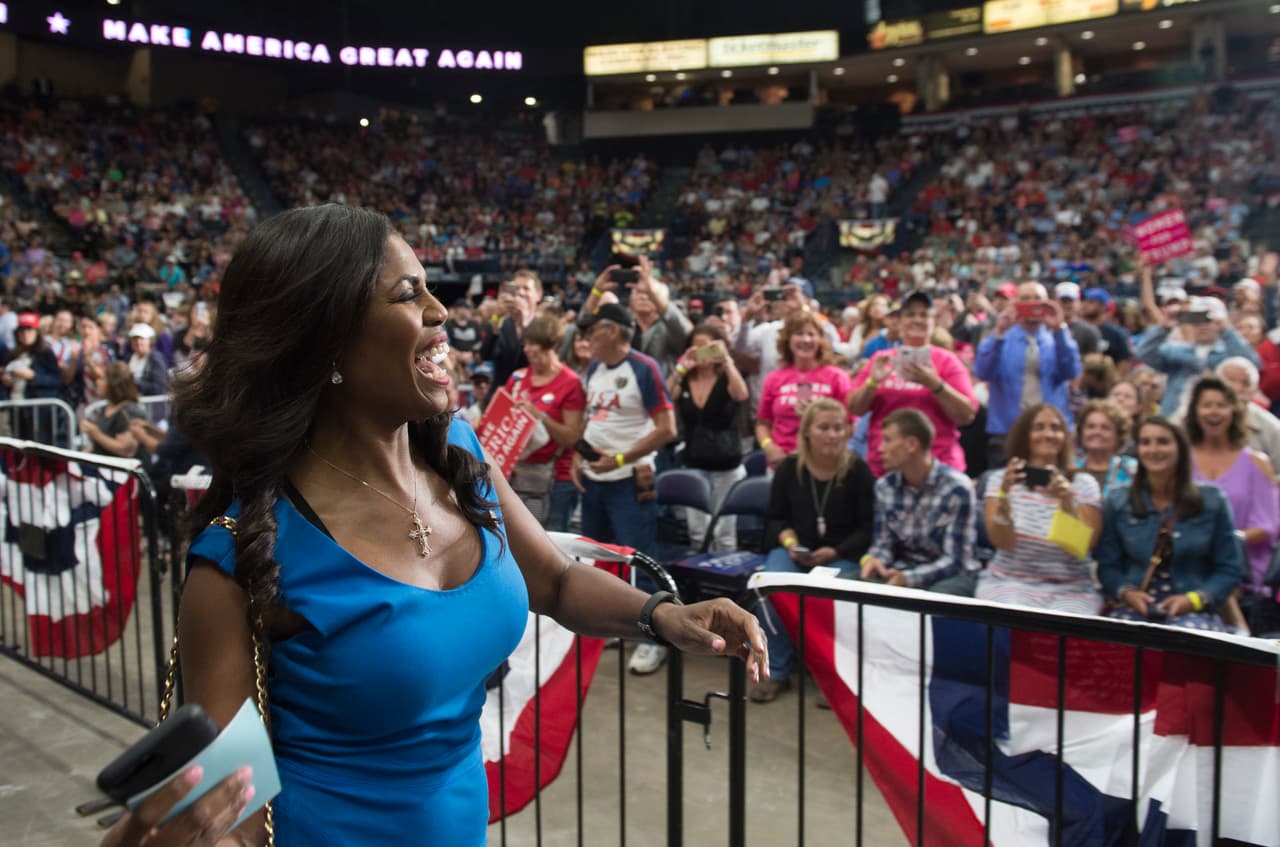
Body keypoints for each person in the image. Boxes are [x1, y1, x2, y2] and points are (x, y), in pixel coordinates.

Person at [163, 205, 765, 847]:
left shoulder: (458, 451)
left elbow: (556, 582)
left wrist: (665, 616)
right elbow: (228, 816)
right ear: (325, 341)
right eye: (406, 294)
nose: (441, 311)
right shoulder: (239, 558)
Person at [571, 302, 679, 675]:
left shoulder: (643, 368)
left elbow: (667, 429)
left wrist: (620, 459)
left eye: (593, 329)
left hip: (629, 480)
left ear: (614, 331)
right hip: (595, 479)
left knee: (642, 559)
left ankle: (658, 638)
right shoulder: (595, 369)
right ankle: (616, 624)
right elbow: (592, 420)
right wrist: (577, 459)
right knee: (600, 561)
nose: (585, 337)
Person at [752, 399, 875, 703]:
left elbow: (868, 529)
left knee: (835, 602)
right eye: (824, 427)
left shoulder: (858, 470)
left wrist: (834, 551)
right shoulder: (790, 468)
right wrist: (791, 542)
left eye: (838, 427)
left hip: (842, 554)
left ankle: (832, 676)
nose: (832, 434)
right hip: (796, 551)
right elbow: (775, 518)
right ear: (807, 432)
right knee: (770, 590)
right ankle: (776, 671)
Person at [1097, 418, 1243, 631]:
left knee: (1184, 643)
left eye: (1163, 441)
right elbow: (1107, 566)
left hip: (1194, 608)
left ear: (1180, 448)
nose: (1154, 449)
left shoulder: (1213, 501)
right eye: (1146, 442)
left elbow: (1229, 570)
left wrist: (1193, 600)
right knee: (1120, 646)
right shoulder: (1118, 501)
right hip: (1135, 607)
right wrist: (1127, 593)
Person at [978, 404, 1103, 614]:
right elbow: (1002, 542)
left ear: (1065, 436)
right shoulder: (1001, 480)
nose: (1048, 434)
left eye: (1055, 428)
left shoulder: (1083, 483)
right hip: (1009, 581)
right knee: (1010, 618)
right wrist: (1004, 496)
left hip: (1070, 587)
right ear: (1025, 435)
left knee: (1064, 629)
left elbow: (1082, 547)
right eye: (1039, 427)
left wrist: (1066, 502)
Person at [848, 290, 977, 477]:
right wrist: (872, 383)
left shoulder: (948, 362)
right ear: (899, 322)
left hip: (939, 469)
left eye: (924, 315)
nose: (917, 320)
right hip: (885, 469)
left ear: (933, 323)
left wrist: (936, 385)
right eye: (910, 314)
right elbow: (854, 408)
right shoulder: (881, 360)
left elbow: (967, 416)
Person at [1183, 376, 1279, 613]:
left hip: (1242, 575)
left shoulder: (1256, 462)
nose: (1213, 412)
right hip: (1186, 565)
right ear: (1195, 411)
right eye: (1207, 405)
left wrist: (1224, 541)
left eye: (1221, 405)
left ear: (1234, 412)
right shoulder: (1181, 460)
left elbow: (1268, 526)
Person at [860, 409, 978, 594]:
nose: (880, 448)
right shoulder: (885, 486)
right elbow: (883, 543)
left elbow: (956, 560)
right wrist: (876, 560)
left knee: (934, 601)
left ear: (911, 444)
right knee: (850, 585)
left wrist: (909, 578)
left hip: (949, 575)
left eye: (888, 440)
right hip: (902, 568)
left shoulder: (957, 488)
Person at [974, 281, 1082, 469]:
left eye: (1037, 299)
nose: (1032, 304)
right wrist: (999, 332)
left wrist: (1060, 328)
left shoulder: (1056, 338)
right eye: (1025, 299)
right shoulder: (1001, 339)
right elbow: (983, 372)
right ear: (1015, 303)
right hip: (1007, 431)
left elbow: (1071, 372)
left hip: (1051, 433)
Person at [668, 323, 749, 551]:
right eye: (695, 347)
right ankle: (697, 578)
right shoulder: (685, 378)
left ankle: (724, 580)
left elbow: (741, 394)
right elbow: (666, 395)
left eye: (706, 347)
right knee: (697, 531)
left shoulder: (727, 376)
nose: (700, 352)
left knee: (724, 530)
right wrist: (682, 367)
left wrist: (726, 360)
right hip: (694, 459)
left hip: (726, 461)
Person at [503, 315, 586, 528]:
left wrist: (539, 416)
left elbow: (571, 438)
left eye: (536, 346)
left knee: (552, 543)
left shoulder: (570, 383)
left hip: (556, 478)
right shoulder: (518, 378)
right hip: (518, 474)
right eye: (527, 344)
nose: (529, 350)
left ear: (554, 346)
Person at [756, 311, 854, 469]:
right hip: (781, 463)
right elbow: (762, 424)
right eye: (799, 334)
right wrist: (768, 447)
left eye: (811, 334)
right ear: (788, 340)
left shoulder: (837, 377)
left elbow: (850, 424)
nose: (806, 340)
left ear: (820, 340)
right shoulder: (774, 378)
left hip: (824, 464)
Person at [1136, 295, 1258, 417]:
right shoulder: (1177, 350)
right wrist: (1164, 327)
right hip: (1174, 417)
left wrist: (1227, 331)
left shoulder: (1229, 353)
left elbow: (1253, 365)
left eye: (1208, 319)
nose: (1202, 325)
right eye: (1197, 319)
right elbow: (1144, 353)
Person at [479, 268, 541, 401]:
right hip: (500, 398)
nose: (520, 293)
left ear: (538, 295)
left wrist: (524, 320)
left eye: (526, 288)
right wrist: (497, 318)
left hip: (532, 399)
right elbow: (485, 354)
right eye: (516, 288)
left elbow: (536, 361)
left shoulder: (544, 326)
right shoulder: (500, 323)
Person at [1, 312, 64, 442]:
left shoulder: (45, 353)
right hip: (16, 408)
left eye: (29, 330)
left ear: (36, 332)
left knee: (38, 449)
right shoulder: (12, 354)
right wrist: (6, 381)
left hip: (38, 410)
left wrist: (33, 376)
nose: (26, 334)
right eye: (22, 331)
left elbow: (57, 380)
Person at [1215, 357, 1280, 475]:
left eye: (1246, 383)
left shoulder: (1272, 429)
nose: (1237, 388)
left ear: (1254, 389)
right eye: (1231, 380)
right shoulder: (1192, 418)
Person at [80, 362, 148, 459]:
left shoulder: (129, 411)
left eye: (102, 379)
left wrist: (96, 434)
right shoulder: (106, 408)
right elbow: (96, 445)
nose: (97, 382)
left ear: (114, 384)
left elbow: (127, 450)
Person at [1074, 400, 1137, 496]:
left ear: (1118, 435)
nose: (1097, 432)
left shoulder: (1132, 469)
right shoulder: (1071, 468)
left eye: (1105, 428)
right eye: (1091, 427)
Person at [127, 322, 170, 397]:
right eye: (135, 339)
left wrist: (137, 384)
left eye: (142, 338)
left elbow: (160, 388)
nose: (138, 342)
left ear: (149, 340)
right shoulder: (132, 357)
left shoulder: (155, 359)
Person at [1107, 378, 1145, 454]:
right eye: (1116, 394)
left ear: (1138, 407)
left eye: (1127, 396)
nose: (1120, 399)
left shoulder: (1142, 437)